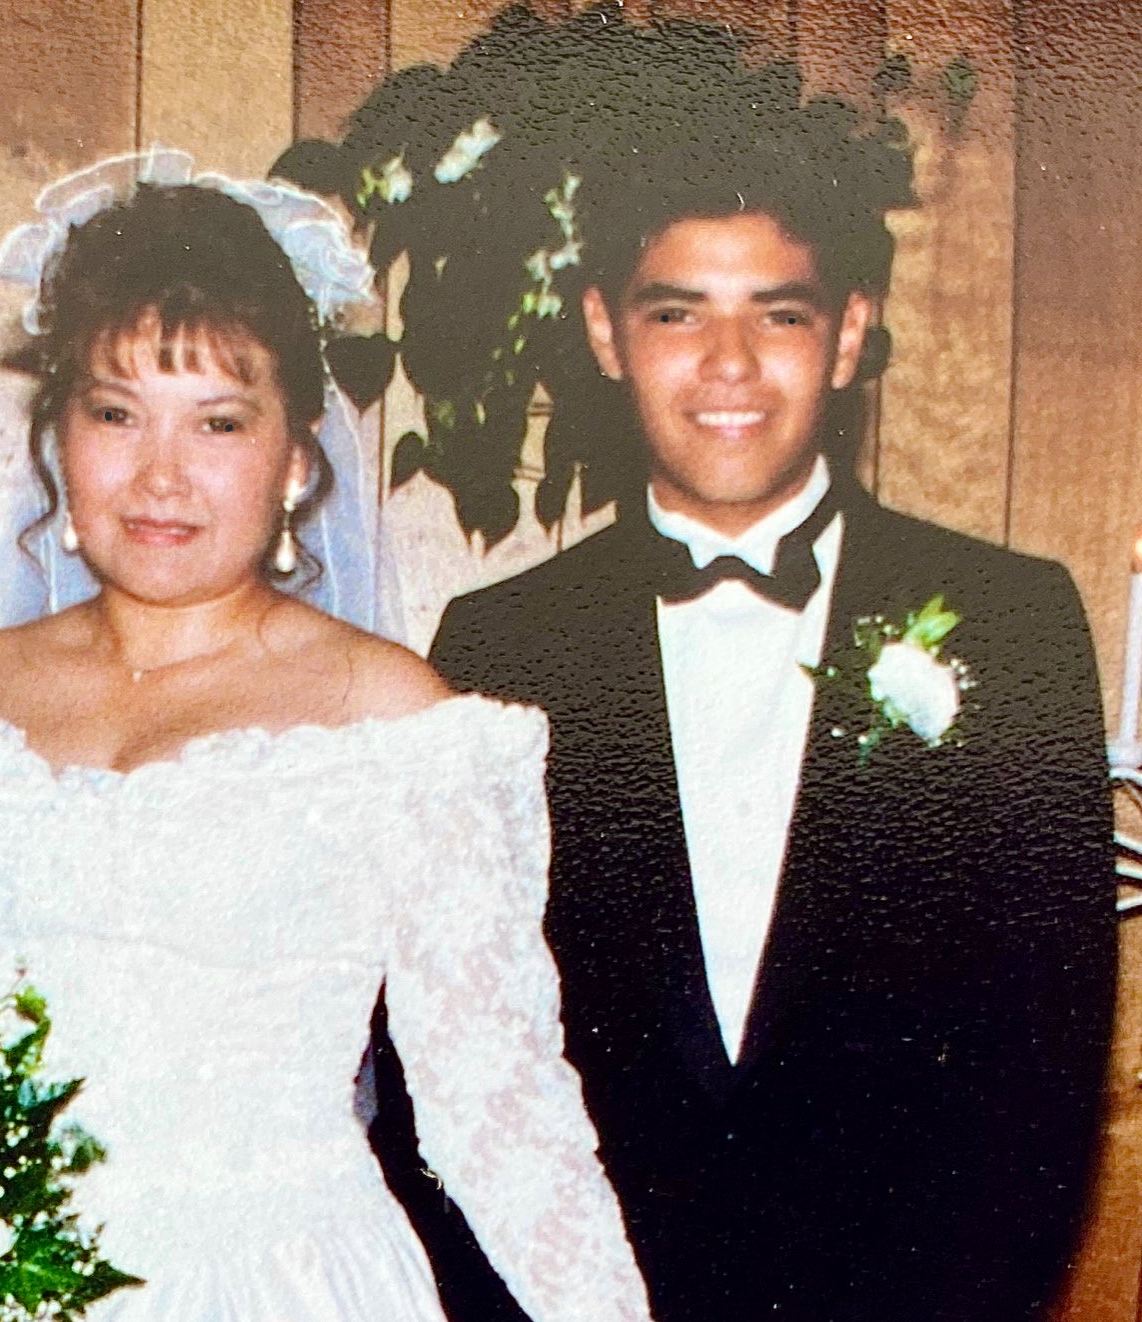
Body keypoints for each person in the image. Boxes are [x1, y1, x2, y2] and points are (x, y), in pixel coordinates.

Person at [0, 154, 652, 1321]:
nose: (159, 472)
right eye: (114, 412)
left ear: (296, 458)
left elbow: (499, 1111)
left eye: (218, 421)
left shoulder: (394, 722)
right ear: (56, 437)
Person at [412, 120, 1115, 1320]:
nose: (728, 364)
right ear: (603, 333)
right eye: (676, 313)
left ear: (846, 335)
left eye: (777, 314)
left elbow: (1041, 1066)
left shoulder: (1010, 623)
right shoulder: (495, 645)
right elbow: (446, 1060)